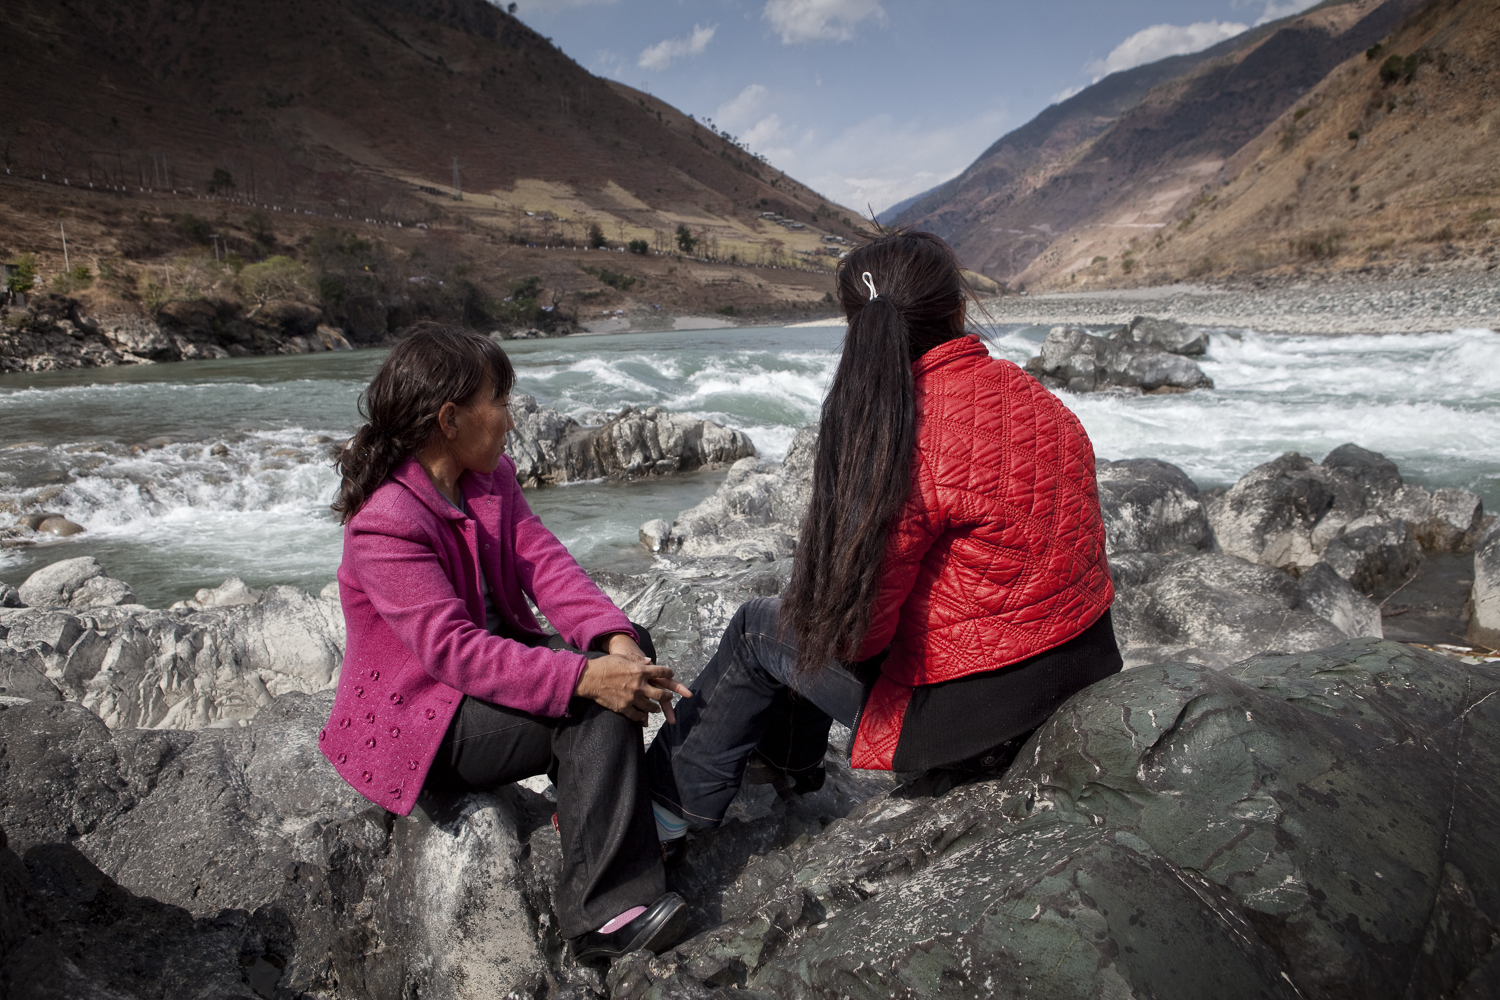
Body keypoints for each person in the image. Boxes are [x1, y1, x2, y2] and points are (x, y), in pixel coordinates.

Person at [646, 231, 1122, 842]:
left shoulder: (896, 435)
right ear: (956, 308)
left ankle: (662, 814)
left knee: (759, 628)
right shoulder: (1029, 395)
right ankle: (786, 761)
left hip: (977, 720)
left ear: (858, 330)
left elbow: (853, 636)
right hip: (1084, 665)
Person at [318, 323, 691, 962]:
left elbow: (546, 565)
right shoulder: (385, 521)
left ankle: (595, 812)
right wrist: (582, 676)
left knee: (621, 651)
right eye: (501, 400)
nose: (511, 419)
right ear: (451, 419)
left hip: (479, 689)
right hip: (426, 721)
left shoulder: (489, 480)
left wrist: (615, 637)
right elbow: (453, 652)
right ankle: (600, 916)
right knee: (586, 696)